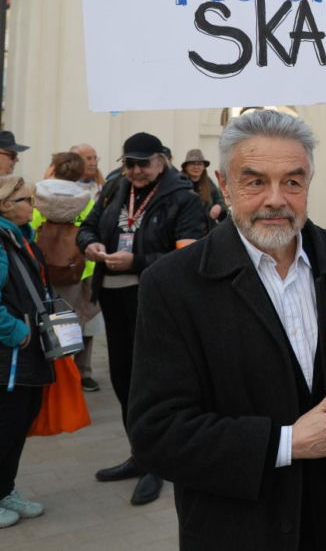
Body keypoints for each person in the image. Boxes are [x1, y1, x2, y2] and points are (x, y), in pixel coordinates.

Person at [128, 109, 326, 549]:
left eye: (293, 182)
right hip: (241, 525)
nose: (276, 199)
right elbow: (157, 433)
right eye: (255, 181)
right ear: (225, 183)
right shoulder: (174, 282)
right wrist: (286, 443)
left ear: (309, 183)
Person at [77, 131, 206, 507]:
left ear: (160, 161)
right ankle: (141, 453)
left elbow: (188, 258)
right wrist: (90, 244)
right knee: (123, 379)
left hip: (154, 302)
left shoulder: (183, 198)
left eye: (141, 164)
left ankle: (158, 463)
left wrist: (137, 261)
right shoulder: (115, 188)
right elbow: (87, 225)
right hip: (115, 299)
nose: (134, 171)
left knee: (152, 383)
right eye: (128, 163)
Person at [0, 176, 51, 529]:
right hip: (10, 358)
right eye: (25, 199)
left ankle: (6, 489)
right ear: (5, 205)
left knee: (19, 423)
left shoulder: (17, 237)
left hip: (25, 354)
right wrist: (17, 333)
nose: (32, 205)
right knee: (6, 425)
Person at [32, 156, 102, 392]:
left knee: (43, 319)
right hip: (79, 270)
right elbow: (94, 230)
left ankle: (49, 373)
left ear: (53, 168)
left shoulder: (36, 195)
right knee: (80, 322)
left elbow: (29, 229)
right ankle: (78, 374)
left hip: (41, 269)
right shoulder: (87, 200)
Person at [180, 149, 227, 229]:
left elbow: (221, 201)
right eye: (192, 164)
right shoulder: (179, 183)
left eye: (199, 164)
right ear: (186, 167)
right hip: (184, 231)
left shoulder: (209, 183)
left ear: (204, 167)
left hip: (206, 232)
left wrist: (219, 207)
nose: (196, 167)